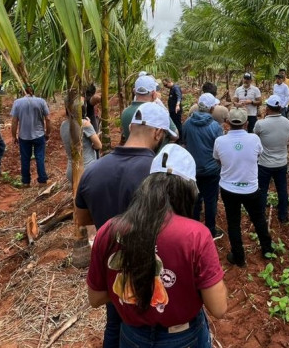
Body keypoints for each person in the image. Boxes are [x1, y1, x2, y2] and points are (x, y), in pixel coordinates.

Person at [87, 144, 228, 348]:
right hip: (183, 337)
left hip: (131, 336)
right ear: (188, 191)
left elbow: (96, 297)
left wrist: (135, 283)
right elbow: (219, 307)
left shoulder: (109, 230)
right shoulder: (196, 235)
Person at [76, 102, 176, 348]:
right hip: (150, 270)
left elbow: (82, 220)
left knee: (114, 321)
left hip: (113, 267)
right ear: (158, 133)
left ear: (131, 126)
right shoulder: (160, 174)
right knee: (148, 326)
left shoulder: (93, 170)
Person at [213, 108, 273, 266]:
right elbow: (258, 155)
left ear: (227, 123)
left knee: (233, 222)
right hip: (250, 189)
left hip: (228, 189)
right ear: (246, 123)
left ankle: (238, 257)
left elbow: (218, 160)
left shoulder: (220, 141)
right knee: (258, 218)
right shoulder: (254, 139)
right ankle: (267, 249)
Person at [183, 93, 225, 240]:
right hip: (211, 170)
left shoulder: (187, 123)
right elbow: (220, 149)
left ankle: (194, 230)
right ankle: (210, 231)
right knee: (211, 200)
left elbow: (184, 141)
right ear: (212, 108)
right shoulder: (215, 127)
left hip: (193, 169)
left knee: (195, 199)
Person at [254, 95, 289, 223]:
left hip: (265, 164)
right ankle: (283, 215)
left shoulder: (261, 124)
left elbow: (255, 138)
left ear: (267, 108)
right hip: (281, 163)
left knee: (263, 189)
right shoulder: (286, 122)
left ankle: (260, 216)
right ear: (280, 108)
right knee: (282, 188)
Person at [10, 84, 52, 186]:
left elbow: (14, 121)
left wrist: (14, 136)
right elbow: (48, 119)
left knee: (25, 158)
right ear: (33, 91)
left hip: (24, 136)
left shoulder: (17, 102)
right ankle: (42, 180)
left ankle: (25, 182)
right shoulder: (41, 101)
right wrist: (47, 133)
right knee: (40, 157)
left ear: (23, 91)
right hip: (39, 135)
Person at [121, 75, 178, 144]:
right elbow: (175, 135)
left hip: (132, 154)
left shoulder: (125, 113)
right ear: (154, 94)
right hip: (155, 154)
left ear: (134, 91)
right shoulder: (158, 111)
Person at [60, 102, 101, 187]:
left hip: (71, 170)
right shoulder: (84, 124)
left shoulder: (63, 125)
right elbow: (99, 145)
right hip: (86, 170)